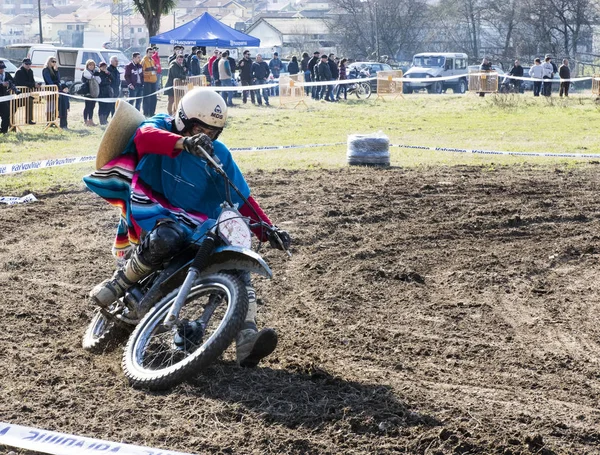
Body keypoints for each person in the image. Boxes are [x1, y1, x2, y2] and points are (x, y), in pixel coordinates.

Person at [85, 88, 291, 367]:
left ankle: (247, 338)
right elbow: (143, 137)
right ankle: (120, 282)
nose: (205, 137)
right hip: (152, 209)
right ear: (182, 119)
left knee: (237, 260)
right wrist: (185, 144)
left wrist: (268, 230)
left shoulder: (218, 154)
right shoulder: (159, 125)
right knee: (168, 236)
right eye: (198, 128)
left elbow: (242, 197)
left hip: (196, 223)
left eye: (212, 132)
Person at [14, 58, 41, 124]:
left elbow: (32, 80)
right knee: (13, 109)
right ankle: (10, 122)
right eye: (27, 64)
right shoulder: (19, 72)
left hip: (27, 93)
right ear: (23, 64)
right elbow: (21, 82)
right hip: (18, 93)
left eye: (30, 64)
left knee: (30, 101)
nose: (28, 65)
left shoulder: (30, 71)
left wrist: (36, 84)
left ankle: (29, 120)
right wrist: (33, 84)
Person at [82, 59, 101, 126]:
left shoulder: (95, 72)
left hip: (94, 92)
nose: (91, 66)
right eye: (90, 65)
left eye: (93, 65)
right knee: (87, 106)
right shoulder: (85, 72)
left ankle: (91, 120)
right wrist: (95, 75)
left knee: (92, 106)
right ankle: (85, 121)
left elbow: (99, 80)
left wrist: (96, 74)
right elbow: (89, 77)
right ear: (87, 65)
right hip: (87, 91)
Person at [42, 56, 60, 123]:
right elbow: (48, 80)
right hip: (49, 89)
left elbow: (58, 79)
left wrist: (57, 71)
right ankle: (48, 120)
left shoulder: (54, 70)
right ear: (49, 62)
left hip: (55, 89)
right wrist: (54, 86)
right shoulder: (46, 70)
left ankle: (53, 120)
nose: (54, 63)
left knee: (55, 105)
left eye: (55, 62)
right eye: (53, 61)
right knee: (49, 105)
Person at [0, 60, 16, 134]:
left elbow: (13, 82)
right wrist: (1, 84)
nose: (2, 70)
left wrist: (9, 85)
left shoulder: (6, 74)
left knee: (6, 114)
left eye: (2, 68)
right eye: (0, 68)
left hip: (5, 98)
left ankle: (4, 131)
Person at [141, 47, 158, 117]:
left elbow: (153, 70)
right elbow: (142, 72)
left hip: (153, 81)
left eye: (152, 53)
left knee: (154, 98)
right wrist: (151, 73)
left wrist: (155, 69)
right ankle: (146, 113)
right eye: (149, 53)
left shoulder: (152, 60)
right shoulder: (144, 61)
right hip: (147, 82)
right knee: (147, 98)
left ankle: (152, 112)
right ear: (146, 53)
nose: (151, 54)